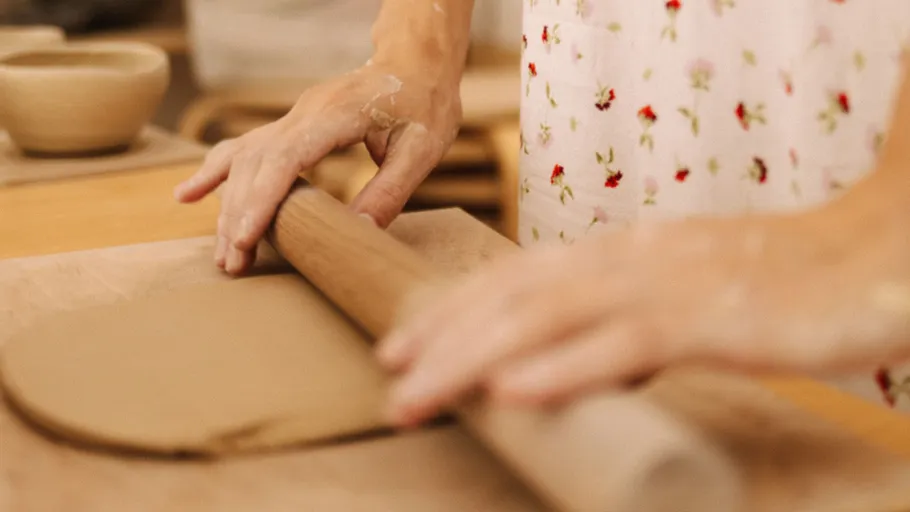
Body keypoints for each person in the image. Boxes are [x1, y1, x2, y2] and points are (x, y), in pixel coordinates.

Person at [175, 0, 910, 427]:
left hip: (845, 104)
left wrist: (874, 237)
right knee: (610, 418)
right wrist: (418, 46)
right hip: (611, 82)